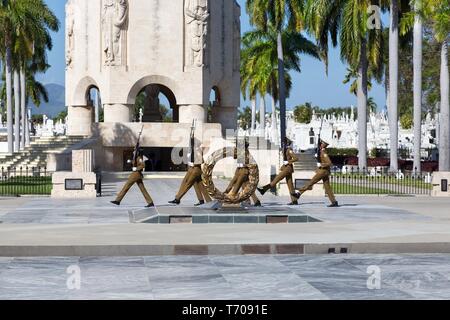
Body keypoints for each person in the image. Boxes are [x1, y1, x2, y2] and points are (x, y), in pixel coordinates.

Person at [291, 139, 339, 207]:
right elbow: (321, 160)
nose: (320, 144)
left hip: (323, 171)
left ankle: (299, 193)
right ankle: (334, 201)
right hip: (324, 171)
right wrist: (317, 158)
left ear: (323, 145)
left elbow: (330, 163)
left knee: (311, 182)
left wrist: (321, 165)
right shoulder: (321, 151)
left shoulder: (323, 152)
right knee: (327, 187)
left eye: (321, 143)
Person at [257, 137, 299, 205]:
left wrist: (289, 161)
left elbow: (296, 158)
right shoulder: (285, 149)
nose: (283, 143)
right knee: (290, 185)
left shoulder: (289, 150)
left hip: (288, 168)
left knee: (276, 179)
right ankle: (294, 200)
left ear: (287, 143)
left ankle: (263, 190)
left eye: (284, 142)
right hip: (286, 168)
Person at [225, 141, 261, 207]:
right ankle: (254, 201)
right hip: (239, 170)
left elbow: (249, 162)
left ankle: (226, 197)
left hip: (244, 170)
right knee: (246, 187)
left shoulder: (245, 152)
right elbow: (235, 157)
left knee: (235, 185)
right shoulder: (239, 151)